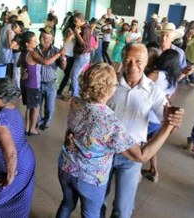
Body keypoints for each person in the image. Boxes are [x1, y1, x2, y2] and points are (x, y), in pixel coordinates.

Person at [56, 63, 182, 218]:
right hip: (90, 178)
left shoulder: (76, 102)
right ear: (110, 89)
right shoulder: (109, 122)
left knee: (67, 204)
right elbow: (141, 156)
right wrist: (168, 126)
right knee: (91, 214)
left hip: (66, 166)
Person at [102, 43, 184, 218]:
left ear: (147, 62)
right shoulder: (110, 84)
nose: (133, 66)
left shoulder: (154, 92)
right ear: (122, 61)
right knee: (98, 201)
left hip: (132, 157)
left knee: (123, 209)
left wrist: (174, 119)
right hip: (104, 153)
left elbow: (168, 122)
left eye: (138, 61)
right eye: (128, 61)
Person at [0, 76, 36, 217]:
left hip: (15, 168)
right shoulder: (12, 109)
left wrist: (10, 177)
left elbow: (10, 152)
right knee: (17, 204)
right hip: (25, 160)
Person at [142, 49, 181, 182]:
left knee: (138, 146)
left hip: (147, 116)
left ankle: (134, 174)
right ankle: (154, 171)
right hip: (160, 119)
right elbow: (170, 100)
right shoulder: (173, 80)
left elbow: (140, 86)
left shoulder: (156, 74)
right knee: (152, 145)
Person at [18, 31, 65, 135]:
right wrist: (59, 54)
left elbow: (20, 65)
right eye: (34, 40)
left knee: (30, 107)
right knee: (36, 108)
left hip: (25, 83)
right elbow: (46, 62)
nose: (38, 41)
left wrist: (25, 70)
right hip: (33, 85)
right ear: (27, 43)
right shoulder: (33, 53)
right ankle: (32, 129)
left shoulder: (23, 52)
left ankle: (27, 128)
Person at [36, 26, 66, 130]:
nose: (41, 39)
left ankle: (46, 122)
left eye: (45, 38)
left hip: (50, 84)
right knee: (37, 106)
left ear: (51, 39)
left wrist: (63, 57)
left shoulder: (56, 51)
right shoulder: (35, 50)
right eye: (41, 36)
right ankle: (39, 121)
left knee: (49, 107)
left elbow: (63, 67)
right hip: (37, 83)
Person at [70, 13, 92, 98]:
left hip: (83, 56)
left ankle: (75, 95)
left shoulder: (86, 29)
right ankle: (77, 92)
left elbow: (84, 45)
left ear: (81, 20)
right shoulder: (82, 27)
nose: (74, 23)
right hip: (80, 55)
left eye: (76, 21)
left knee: (74, 76)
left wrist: (76, 33)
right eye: (74, 21)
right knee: (75, 75)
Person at [57, 28, 75, 97]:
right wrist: (73, 33)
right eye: (68, 33)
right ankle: (60, 90)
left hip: (72, 57)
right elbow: (66, 40)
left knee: (69, 75)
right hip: (66, 57)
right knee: (67, 75)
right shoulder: (66, 39)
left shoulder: (74, 39)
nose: (69, 34)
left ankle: (67, 88)